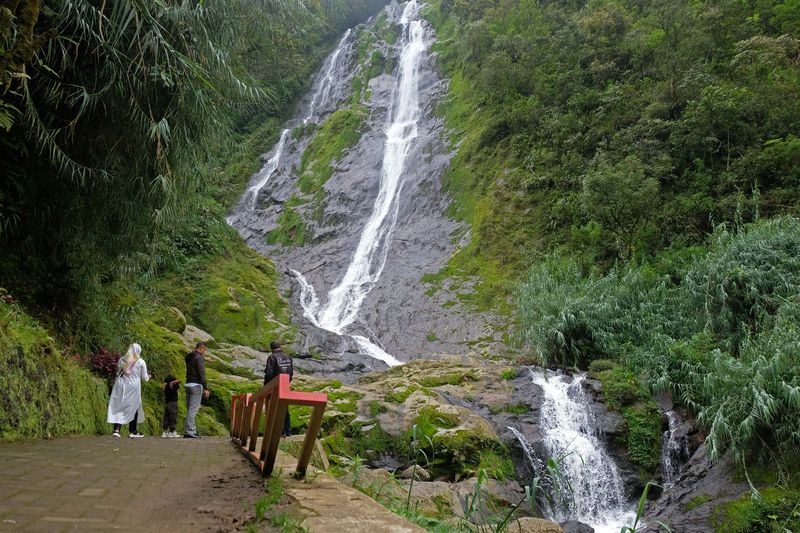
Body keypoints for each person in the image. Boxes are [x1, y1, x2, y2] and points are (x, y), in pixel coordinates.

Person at [107, 343, 150, 438]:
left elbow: (117, 371)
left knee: (119, 406)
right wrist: (148, 377)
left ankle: (116, 430)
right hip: (133, 387)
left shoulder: (122, 359)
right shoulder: (141, 361)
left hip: (120, 385)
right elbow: (144, 377)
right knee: (134, 407)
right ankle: (133, 431)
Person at [263, 341, 293, 437]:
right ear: (280, 346)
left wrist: (266, 386)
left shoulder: (271, 357)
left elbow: (269, 374)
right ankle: (288, 431)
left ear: (271, 348)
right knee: (285, 407)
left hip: (275, 386)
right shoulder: (288, 356)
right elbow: (291, 373)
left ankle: (281, 432)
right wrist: (288, 382)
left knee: (276, 408)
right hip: (285, 385)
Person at [184, 342, 210, 439]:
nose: (204, 353)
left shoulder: (189, 357)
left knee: (190, 409)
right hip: (196, 385)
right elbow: (201, 373)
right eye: (204, 350)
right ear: (201, 348)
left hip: (188, 384)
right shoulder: (199, 358)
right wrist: (206, 388)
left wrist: (204, 360)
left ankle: (192, 430)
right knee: (193, 410)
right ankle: (189, 431)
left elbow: (194, 365)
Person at [161, 374, 180, 438]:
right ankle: (172, 432)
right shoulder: (173, 387)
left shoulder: (166, 387)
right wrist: (173, 382)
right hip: (173, 404)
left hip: (167, 404)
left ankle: (164, 432)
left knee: (166, 417)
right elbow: (179, 381)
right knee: (173, 417)